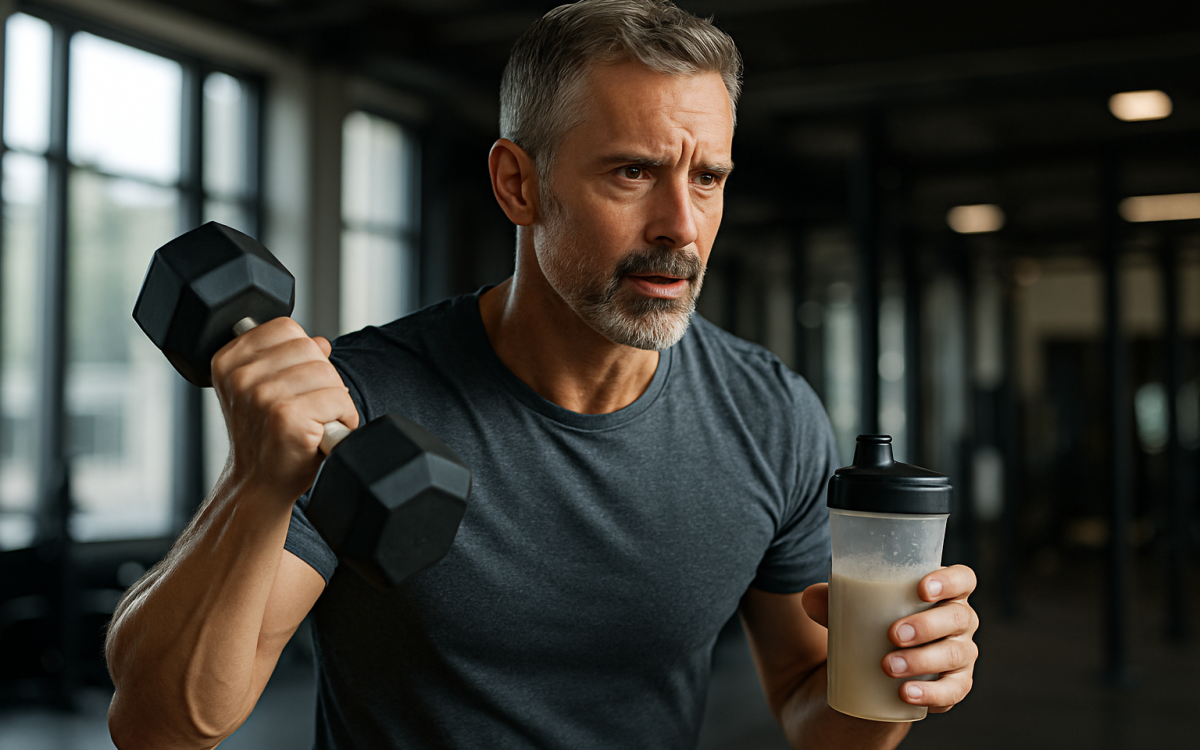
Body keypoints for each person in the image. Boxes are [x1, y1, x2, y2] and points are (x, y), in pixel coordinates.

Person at [105, 1, 979, 748]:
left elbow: (808, 704)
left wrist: (895, 680)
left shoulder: (769, 415)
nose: (681, 225)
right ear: (518, 184)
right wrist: (259, 483)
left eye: (708, 177)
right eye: (634, 172)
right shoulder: (359, 402)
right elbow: (163, 727)